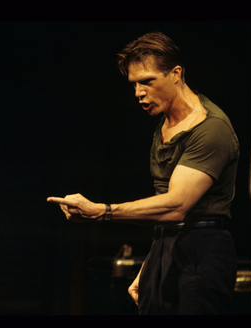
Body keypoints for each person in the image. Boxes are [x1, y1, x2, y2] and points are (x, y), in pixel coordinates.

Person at [47, 32, 239, 315]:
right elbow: (164, 211)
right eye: (134, 84)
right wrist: (153, 262)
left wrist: (102, 211)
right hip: (168, 247)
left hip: (202, 253)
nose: (138, 92)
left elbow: (176, 206)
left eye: (147, 81)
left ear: (176, 74)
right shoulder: (164, 125)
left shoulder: (211, 129)